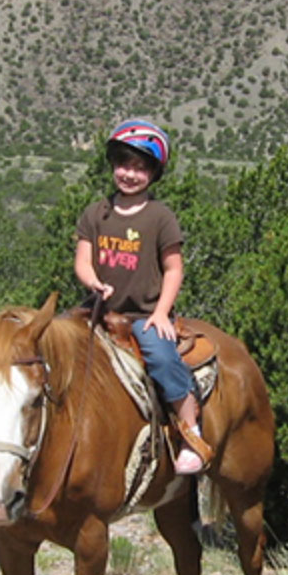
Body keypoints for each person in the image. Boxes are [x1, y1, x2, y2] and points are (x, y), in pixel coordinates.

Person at [75, 118, 209, 475]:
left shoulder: (160, 217)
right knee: (54, 343)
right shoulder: (96, 212)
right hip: (100, 309)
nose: (129, 174)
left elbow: (174, 268)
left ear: (153, 173)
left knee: (163, 359)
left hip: (142, 314)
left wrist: (161, 313)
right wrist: (93, 284)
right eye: (123, 164)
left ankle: (190, 431)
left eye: (139, 168)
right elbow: (83, 261)